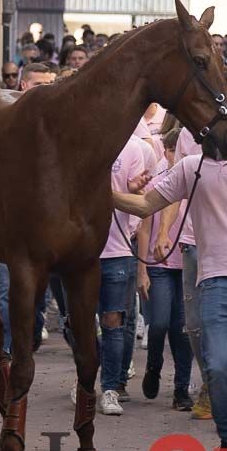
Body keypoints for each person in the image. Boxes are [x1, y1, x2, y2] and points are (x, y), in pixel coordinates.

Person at [115, 88, 227, 451]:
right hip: (216, 283)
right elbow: (146, 204)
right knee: (219, 370)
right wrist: (101, 194)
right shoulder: (191, 166)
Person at [136, 128, 193, 410]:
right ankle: (154, 365)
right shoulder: (157, 186)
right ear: (166, 152)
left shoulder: (194, 185)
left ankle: (181, 389)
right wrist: (142, 269)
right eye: (172, 151)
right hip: (158, 264)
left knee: (183, 329)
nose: (176, 157)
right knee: (158, 323)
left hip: (187, 264)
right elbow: (145, 228)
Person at [95, 136, 152, 415]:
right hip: (77, 252)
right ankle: (84, 378)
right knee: (75, 322)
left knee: (114, 321)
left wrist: (130, 189)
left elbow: (140, 202)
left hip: (117, 250)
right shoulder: (76, 138)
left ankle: (110, 388)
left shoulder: (132, 147)